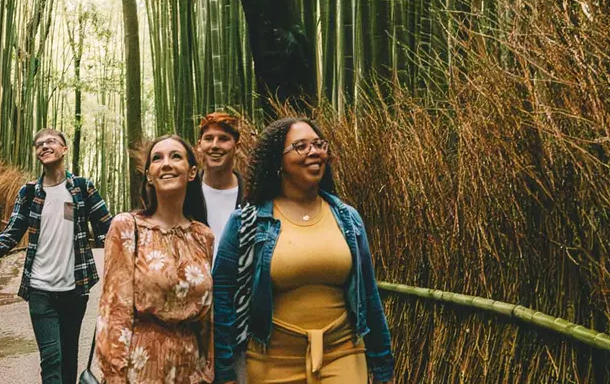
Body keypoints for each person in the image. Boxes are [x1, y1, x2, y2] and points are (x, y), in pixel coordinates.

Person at [212, 118, 395, 384]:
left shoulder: (347, 218)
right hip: (273, 360)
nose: (314, 152)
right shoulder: (247, 222)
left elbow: (368, 293)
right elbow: (223, 297)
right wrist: (225, 370)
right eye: (300, 146)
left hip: (342, 354)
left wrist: (382, 365)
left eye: (319, 145)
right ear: (278, 162)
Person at [0, 128, 116, 384]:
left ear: (64, 149)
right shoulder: (29, 193)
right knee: (51, 358)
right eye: (39, 144)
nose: (44, 146)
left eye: (51, 142)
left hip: (75, 287)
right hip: (40, 288)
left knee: (69, 355)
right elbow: (12, 233)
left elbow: (109, 227)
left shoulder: (82, 188)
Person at [97, 135, 215, 383]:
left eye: (176, 156)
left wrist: (208, 368)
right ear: (149, 175)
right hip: (142, 366)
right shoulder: (127, 227)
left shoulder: (203, 236)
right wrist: (115, 374)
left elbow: (207, 319)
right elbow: (115, 310)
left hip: (191, 369)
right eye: (157, 158)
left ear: (192, 172)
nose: (167, 163)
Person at [194, 112, 246, 249]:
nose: (215, 145)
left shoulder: (252, 195)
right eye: (209, 139)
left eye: (223, 139)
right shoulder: (187, 191)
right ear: (199, 145)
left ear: (237, 147)